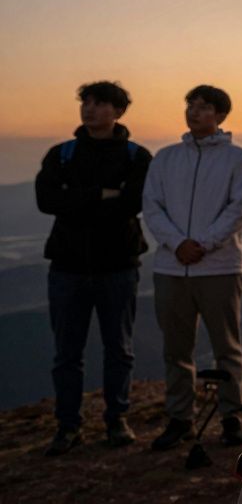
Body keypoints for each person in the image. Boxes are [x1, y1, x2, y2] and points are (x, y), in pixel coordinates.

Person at [35, 81, 153, 455]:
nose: (89, 109)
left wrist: (75, 199)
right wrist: (102, 194)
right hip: (67, 267)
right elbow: (45, 199)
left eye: (99, 103)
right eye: (85, 102)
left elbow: (133, 202)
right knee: (67, 352)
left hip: (118, 266)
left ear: (117, 112)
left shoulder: (137, 157)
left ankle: (116, 419)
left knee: (118, 348)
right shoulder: (62, 154)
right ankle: (67, 426)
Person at [142, 85, 242, 451]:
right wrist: (178, 244)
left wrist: (201, 244)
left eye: (204, 107)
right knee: (176, 348)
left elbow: (238, 210)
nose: (194, 111)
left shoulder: (238, 158)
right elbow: (152, 206)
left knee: (227, 346)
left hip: (219, 267)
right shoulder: (165, 158)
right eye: (191, 105)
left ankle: (231, 415)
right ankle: (180, 418)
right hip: (171, 268)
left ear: (220, 115)